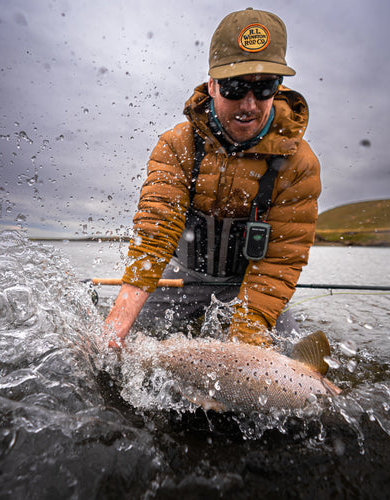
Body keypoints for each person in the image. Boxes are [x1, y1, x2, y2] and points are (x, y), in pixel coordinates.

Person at [105, 8, 320, 349]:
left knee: (284, 372)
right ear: (212, 84)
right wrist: (115, 328)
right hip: (180, 278)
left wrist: (242, 349)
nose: (249, 104)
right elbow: (154, 237)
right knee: (121, 350)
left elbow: (278, 263)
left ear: (278, 88)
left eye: (264, 87)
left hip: (251, 284)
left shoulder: (300, 164)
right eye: (235, 87)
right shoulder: (176, 145)